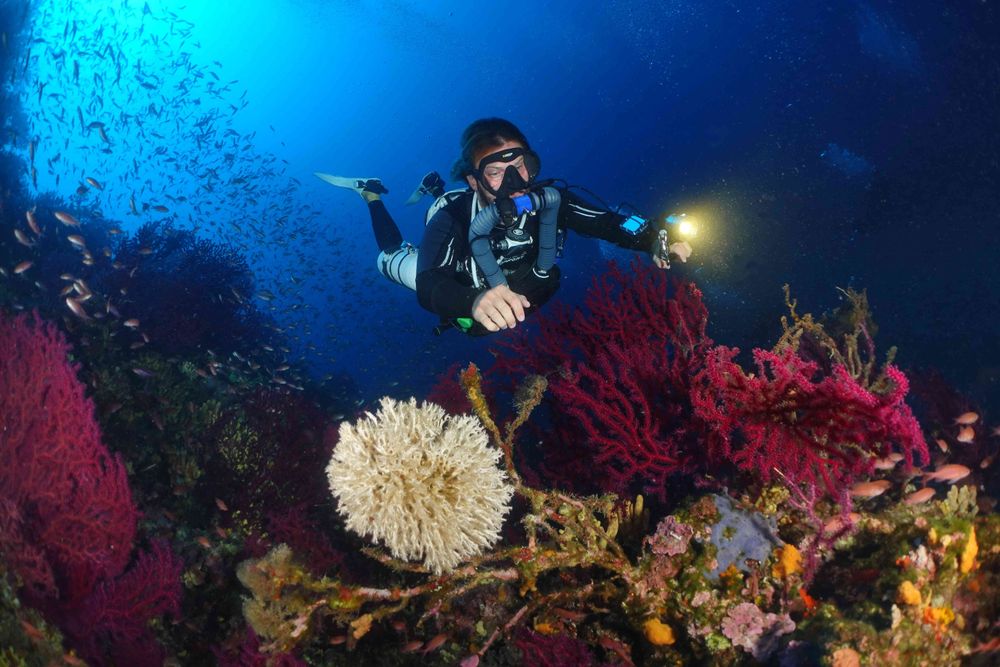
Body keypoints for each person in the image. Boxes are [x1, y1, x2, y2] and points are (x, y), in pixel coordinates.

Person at [317, 118, 691, 336]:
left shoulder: (548, 200)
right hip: (460, 278)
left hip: (517, 285)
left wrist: (655, 240)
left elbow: (607, 224)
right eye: (496, 172)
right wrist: (472, 301)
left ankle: (432, 185)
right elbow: (430, 282)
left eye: (522, 166)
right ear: (475, 181)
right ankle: (370, 194)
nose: (516, 181)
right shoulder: (454, 216)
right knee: (389, 260)